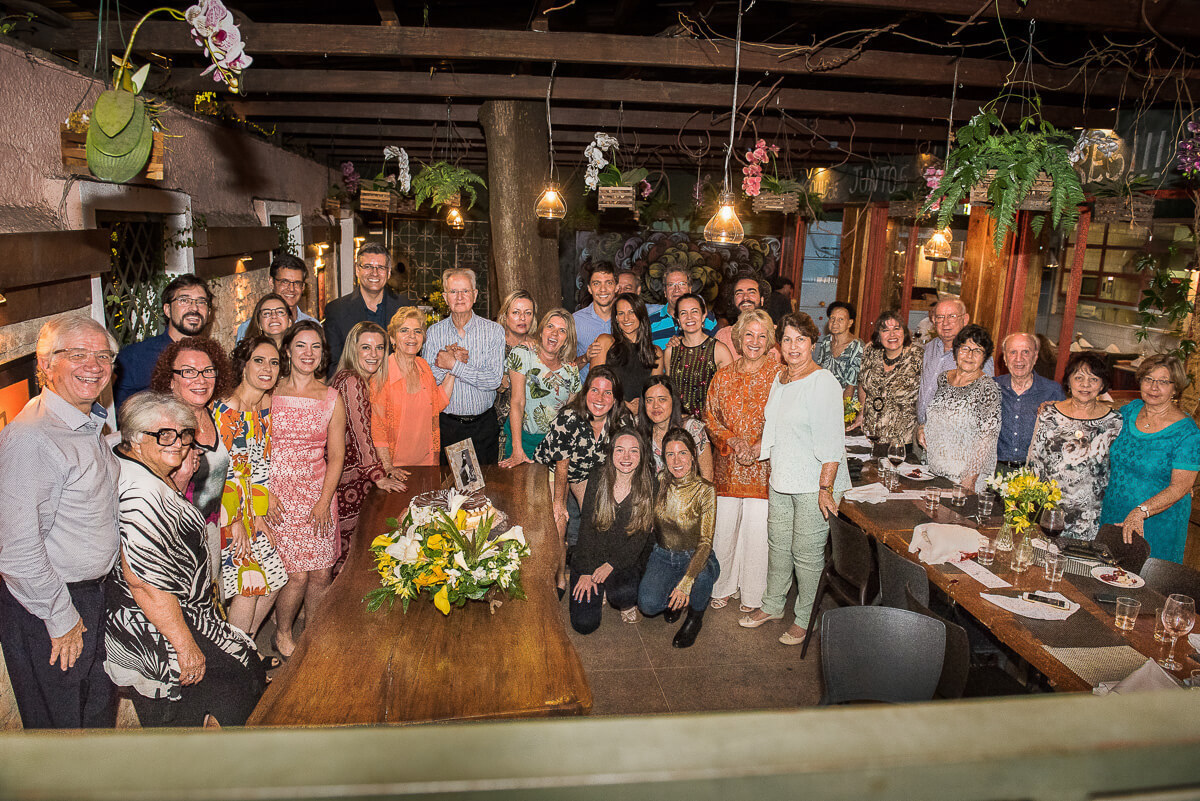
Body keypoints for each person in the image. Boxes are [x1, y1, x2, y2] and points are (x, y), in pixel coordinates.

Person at [105, 391, 264, 726]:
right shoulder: (141, 496)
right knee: (234, 682)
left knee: (224, 687)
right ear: (134, 438)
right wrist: (185, 647)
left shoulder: (133, 460)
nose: (178, 443)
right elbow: (144, 582)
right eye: (164, 434)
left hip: (180, 613)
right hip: (159, 625)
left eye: (184, 434)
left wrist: (177, 479)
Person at [0, 315, 120, 729]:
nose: (94, 365)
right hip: (49, 605)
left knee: (94, 717)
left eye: (102, 355)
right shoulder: (33, 436)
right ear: (46, 364)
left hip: (87, 595)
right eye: (79, 355)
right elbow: (16, 548)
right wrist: (61, 616)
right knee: (61, 733)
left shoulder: (84, 423)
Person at [741, 313, 851, 645]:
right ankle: (773, 605)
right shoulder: (781, 380)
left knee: (806, 554)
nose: (793, 346)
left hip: (813, 484)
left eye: (800, 340)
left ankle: (806, 618)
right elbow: (774, 429)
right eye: (787, 339)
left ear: (813, 344)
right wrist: (754, 450)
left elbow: (834, 441)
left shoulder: (824, 382)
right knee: (778, 547)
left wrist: (825, 488)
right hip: (783, 479)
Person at [269, 321, 347, 659]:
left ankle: (314, 632)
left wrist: (323, 500)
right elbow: (253, 448)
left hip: (318, 493)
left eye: (315, 347)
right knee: (295, 576)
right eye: (301, 345)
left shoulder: (331, 398)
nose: (308, 353)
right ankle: (282, 632)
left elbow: (337, 455)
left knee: (320, 573)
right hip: (277, 496)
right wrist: (263, 496)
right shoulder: (269, 392)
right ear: (287, 350)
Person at [704, 308, 781, 612]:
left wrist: (760, 445)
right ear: (738, 337)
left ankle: (751, 593)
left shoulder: (779, 376)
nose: (754, 341)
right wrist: (732, 440)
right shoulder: (723, 375)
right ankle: (721, 586)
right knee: (723, 529)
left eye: (762, 336)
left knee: (756, 533)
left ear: (770, 342)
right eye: (749, 334)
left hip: (764, 469)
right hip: (728, 466)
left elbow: (784, 419)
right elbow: (710, 416)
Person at [213, 336, 288, 642]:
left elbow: (260, 467)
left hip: (252, 508)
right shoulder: (229, 408)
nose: (267, 368)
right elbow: (222, 474)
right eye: (259, 360)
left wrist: (258, 512)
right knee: (250, 586)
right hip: (227, 511)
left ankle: (245, 648)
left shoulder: (267, 405)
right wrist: (234, 524)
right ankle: (236, 660)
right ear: (243, 366)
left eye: (273, 362)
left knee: (277, 577)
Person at [148, 336, 235, 582]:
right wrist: (182, 475)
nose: (200, 379)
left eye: (207, 371)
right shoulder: (163, 428)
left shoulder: (216, 414)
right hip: (177, 540)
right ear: (171, 380)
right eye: (188, 371)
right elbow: (151, 502)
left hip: (212, 531)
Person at [1099, 354, 1200, 563]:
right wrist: (1056, 405)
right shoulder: (1130, 411)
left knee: (1145, 588)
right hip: (1114, 512)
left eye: (1163, 381)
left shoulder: (1188, 433)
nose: (1154, 387)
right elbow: (1097, 414)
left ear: (1175, 388)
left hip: (1156, 522)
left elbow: (1180, 487)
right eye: (1148, 379)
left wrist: (1141, 511)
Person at [534, 367, 626, 592]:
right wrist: (559, 503)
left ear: (615, 399)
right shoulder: (569, 418)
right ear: (585, 392)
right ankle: (558, 579)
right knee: (558, 522)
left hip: (584, 474)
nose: (600, 398)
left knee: (599, 519)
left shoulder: (619, 425)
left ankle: (594, 572)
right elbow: (561, 465)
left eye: (607, 393)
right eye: (594, 390)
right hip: (552, 469)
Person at [330, 322, 405, 574]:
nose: (373, 354)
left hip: (345, 474)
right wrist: (378, 475)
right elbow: (362, 434)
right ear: (353, 349)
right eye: (366, 347)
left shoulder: (347, 377)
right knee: (350, 554)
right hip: (347, 478)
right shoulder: (352, 381)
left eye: (379, 348)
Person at [569, 428, 657, 634]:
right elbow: (586, 528)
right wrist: (586, 570)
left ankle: (617, 595)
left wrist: (611, 565)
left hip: (625, 558)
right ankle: (600, 589)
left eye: (633, 451)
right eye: (620, 450)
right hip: (592, 554)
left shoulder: (650, 484)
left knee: (623, 593)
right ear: (611, 453)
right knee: (584, 624)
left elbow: (641, 538)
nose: (626, 457)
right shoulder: (598, 478)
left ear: (642, 455)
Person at [638, 428, 720, 648]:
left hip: (696, 555)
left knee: (700, 578)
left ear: (693, 455)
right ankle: (674, 597)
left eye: (682, 453)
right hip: (663, 555)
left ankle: (694, 618)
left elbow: (705, 542)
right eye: (670, 454)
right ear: (663, 458)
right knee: (648, 605)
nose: (676, 461)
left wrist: (686, 581)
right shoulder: (660, 480)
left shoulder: (706, 490)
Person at [1027, 352, 1123, 541]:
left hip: (1089, 516)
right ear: (1068, 382)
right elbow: (1033, 461)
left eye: (1093, 379)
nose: (1085, 385)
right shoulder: (1048, 414)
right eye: (1078, 378)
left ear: (1102, 385)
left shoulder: (1115, 422)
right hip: (1047, 511)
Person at [422, 267, 505, 464]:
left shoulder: (493, 331)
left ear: (475, 295)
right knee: (450, 489)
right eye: (453, 292)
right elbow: (429, 381)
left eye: (465, 291)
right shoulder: (434, 333)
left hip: (483, 425)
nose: (460, 297)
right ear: (445, 297)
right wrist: (447, 364)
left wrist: (452, 364)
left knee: (485, 488)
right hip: (448, 426)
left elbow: (493, 379)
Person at [920, 324, 1001, 492]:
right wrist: (923, 428)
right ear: (956, 351)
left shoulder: (988, 387)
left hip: (963, 477)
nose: (969, 355)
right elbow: (940, 413)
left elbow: (988, 438)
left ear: (985, 357)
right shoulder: (944, 378)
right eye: (965, 348)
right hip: (933, 468)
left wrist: (969, 480)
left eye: (977, 350)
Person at [114, 274, 213, 409]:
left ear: (209, 312)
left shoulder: (212, 356)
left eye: (201, 302)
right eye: (184, 300)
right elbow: (120, 414)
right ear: (167, 310)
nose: (194, 308)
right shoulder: (135, 358)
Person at [374, 307, 455, 470]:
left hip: (428, 464)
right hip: (396, 468)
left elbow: (437, 403)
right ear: (392, 338)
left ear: (423, 338)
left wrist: (454, 368)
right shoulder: (382, 374)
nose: (412, 336)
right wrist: (388, 469)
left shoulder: (423, 366)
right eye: (404, 330)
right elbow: (377, 429)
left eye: (417, 331)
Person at [499, 309, 581, 466]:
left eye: (562, 330)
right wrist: (517, 449)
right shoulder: (523, 354)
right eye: (550, 326)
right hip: (522, 440)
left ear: (567, 339)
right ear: (542, 330)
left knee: (549, 491)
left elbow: (569, 412)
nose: (554, 334)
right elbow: (517, 402)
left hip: (555, 445)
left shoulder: (571, 370)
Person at [323, 242, 414, 367]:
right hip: (354, 383)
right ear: (357, 270)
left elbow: (412, 354)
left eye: (381, 267)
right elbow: (333, 363)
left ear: (388, 273)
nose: (374, 273)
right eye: (368, 266)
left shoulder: (404, 307)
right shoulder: (336, 310)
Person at [916, 298, 993, 430]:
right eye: (940, 317)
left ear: (965, 319)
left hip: (951, 438)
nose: (945, 323)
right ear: (933, 321)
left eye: (952, 316)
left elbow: (983, 403)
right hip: (920, 433)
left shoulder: (975, 356)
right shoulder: (929, 348)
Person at [852, 310, 923, 449]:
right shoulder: (871, 352)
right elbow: (862, 382)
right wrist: (862, 412)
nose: (892, 335)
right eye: (885, 330)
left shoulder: (918, 357)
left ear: (905, 332)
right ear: (879, 335)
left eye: (897, 329)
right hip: (869, 434)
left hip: (900, 441)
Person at [995, 332, 1064, 471]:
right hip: (995, 471)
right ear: (1005, 358)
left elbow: (1063, 436)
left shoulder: (1052, 391)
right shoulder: (992, 387)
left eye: (1025, 352)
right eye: (1013, 352)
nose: (1018, 359)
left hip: (1035, 474)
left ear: (1035, 356)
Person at [589, 292, 663, 414]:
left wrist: (641, 406)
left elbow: (654, 394)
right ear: (616, 318)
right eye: (621, 313)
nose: (626, 318)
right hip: (608, 413)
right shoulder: (605, 342)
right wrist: (624, 405)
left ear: (640, 315)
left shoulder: (655, 353)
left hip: (642, 415)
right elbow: (593, 387)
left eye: (631, 312)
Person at [663, 293, 733, 418]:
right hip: (677, 424)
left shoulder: (719, 350)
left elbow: (730, 395)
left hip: (709, 426)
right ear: (678, 319)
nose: (689, 317)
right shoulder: (670, 351)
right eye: (683, 313)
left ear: (704, 315)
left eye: (694, 311)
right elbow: (669, 394)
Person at [637, 376, 712, 481]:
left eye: (662, 399)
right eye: (649, 400)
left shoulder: (692, 428)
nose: (655, 406)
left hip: (689, 495)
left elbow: (707, 476)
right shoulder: (638, 430)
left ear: (673, 400)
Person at [495, 290, 537, 460]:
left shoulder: (538, 347)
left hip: (529, 431)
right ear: (505, 315)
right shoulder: (494, 344)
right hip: (496, 429)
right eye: (516, 312)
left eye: (528, 313)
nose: (522, 318)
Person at [235, 253, 315, 341]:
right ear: (271, 282)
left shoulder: (313, 327)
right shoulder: (247, 329)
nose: (291, 289)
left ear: (303, 287)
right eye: (285, 282)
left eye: (297, 283)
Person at [648, 266, 718, 349]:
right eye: (671, 285)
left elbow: (716, 352)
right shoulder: (650, 322)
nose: (676, 289)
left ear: (690, 289)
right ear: (665, 292)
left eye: (682, 284)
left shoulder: (707, 318)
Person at [813, 301, 864, 400]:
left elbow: (851, 386)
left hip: (847, 404)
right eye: (832, 318)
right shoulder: (826, 341)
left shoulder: (857, 347)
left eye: (841, 319)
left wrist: (843, 412)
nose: (835, 323)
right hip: (826, 399)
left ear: (850, 323)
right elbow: (820, 371)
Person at [715, 274, 773, 358]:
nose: (745, 297)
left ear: (762, 299)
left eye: (751, 292)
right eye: (739, 293)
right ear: (733, 301)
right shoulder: (723, 336)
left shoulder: (777, 335)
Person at [573, 261, 618, 367]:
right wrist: (585, 358)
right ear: (589, 288)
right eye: (597, 283)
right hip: (587, 383)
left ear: (617, 287)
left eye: (609, 283)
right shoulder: (575, 321)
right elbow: (564, 368)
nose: (603, 289)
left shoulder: (627, 319)